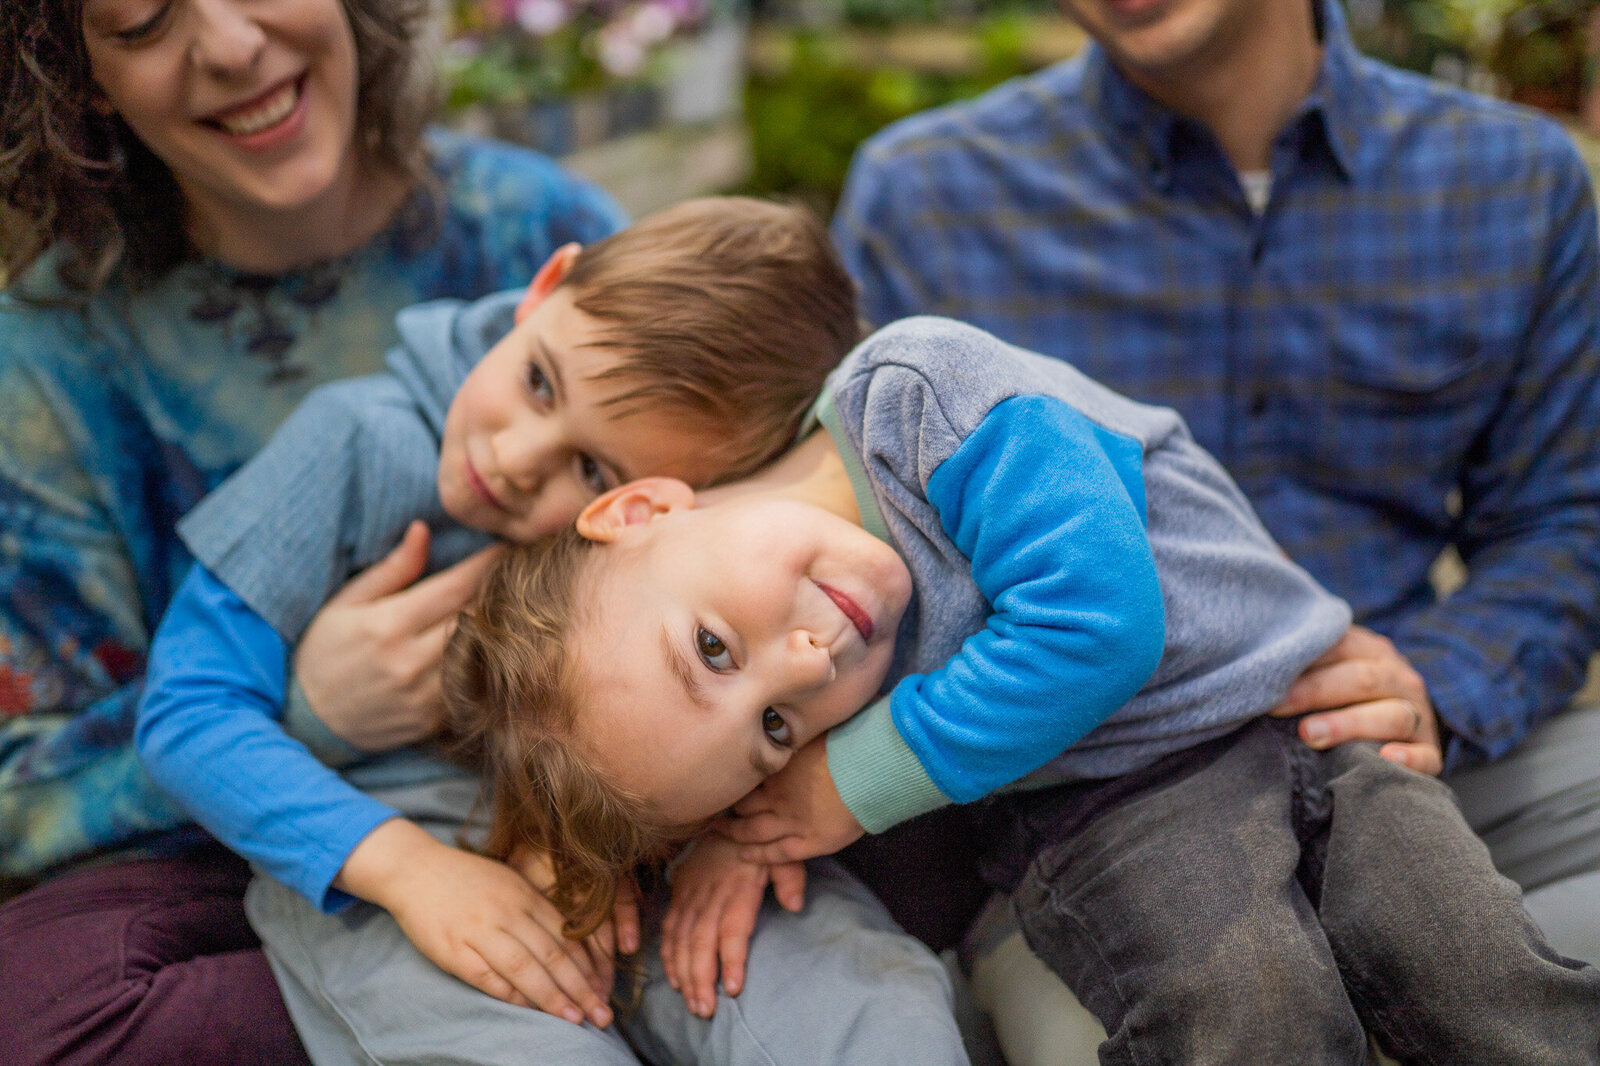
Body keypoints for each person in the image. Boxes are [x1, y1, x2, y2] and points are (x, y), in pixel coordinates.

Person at [443, 314, 1600, 1063]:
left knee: (1474, 970)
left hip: (1309, 717)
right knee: (1249, 1014)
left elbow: (1098, 623)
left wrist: (845, 776)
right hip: (1121, 805)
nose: (803, 666)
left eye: (709, 648)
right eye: (775, 729)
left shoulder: (918, 395)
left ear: (642, 507)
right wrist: (733, 836)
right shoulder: (830, 623)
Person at [830, 0, 1600, 1055]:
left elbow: (1564, 521)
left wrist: (1437, 680)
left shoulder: (1513, 178)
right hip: (1088, 795)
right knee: (1225, 1019)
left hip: (1394, 745)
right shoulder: (925, 196)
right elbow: (840, 570)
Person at [139, 197, 974, 1066]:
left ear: (662, 500)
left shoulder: (739, 561)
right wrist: (410, 873)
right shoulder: (355, 445)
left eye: (592, 469)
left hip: (645, 834)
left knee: (863, 1004)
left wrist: (682, 834)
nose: (512, 459)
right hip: (387, 831)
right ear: (544, 288)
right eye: (540, 381)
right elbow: (186, 714)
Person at [0, 0, 625, 1061]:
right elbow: (24, 803)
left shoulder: (534, 225)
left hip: (597, 795)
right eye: (143, 19)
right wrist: (306, 711)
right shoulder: (47, 362)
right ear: (78, 75)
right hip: (246, 861)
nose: (233, 46)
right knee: (42, 1009)